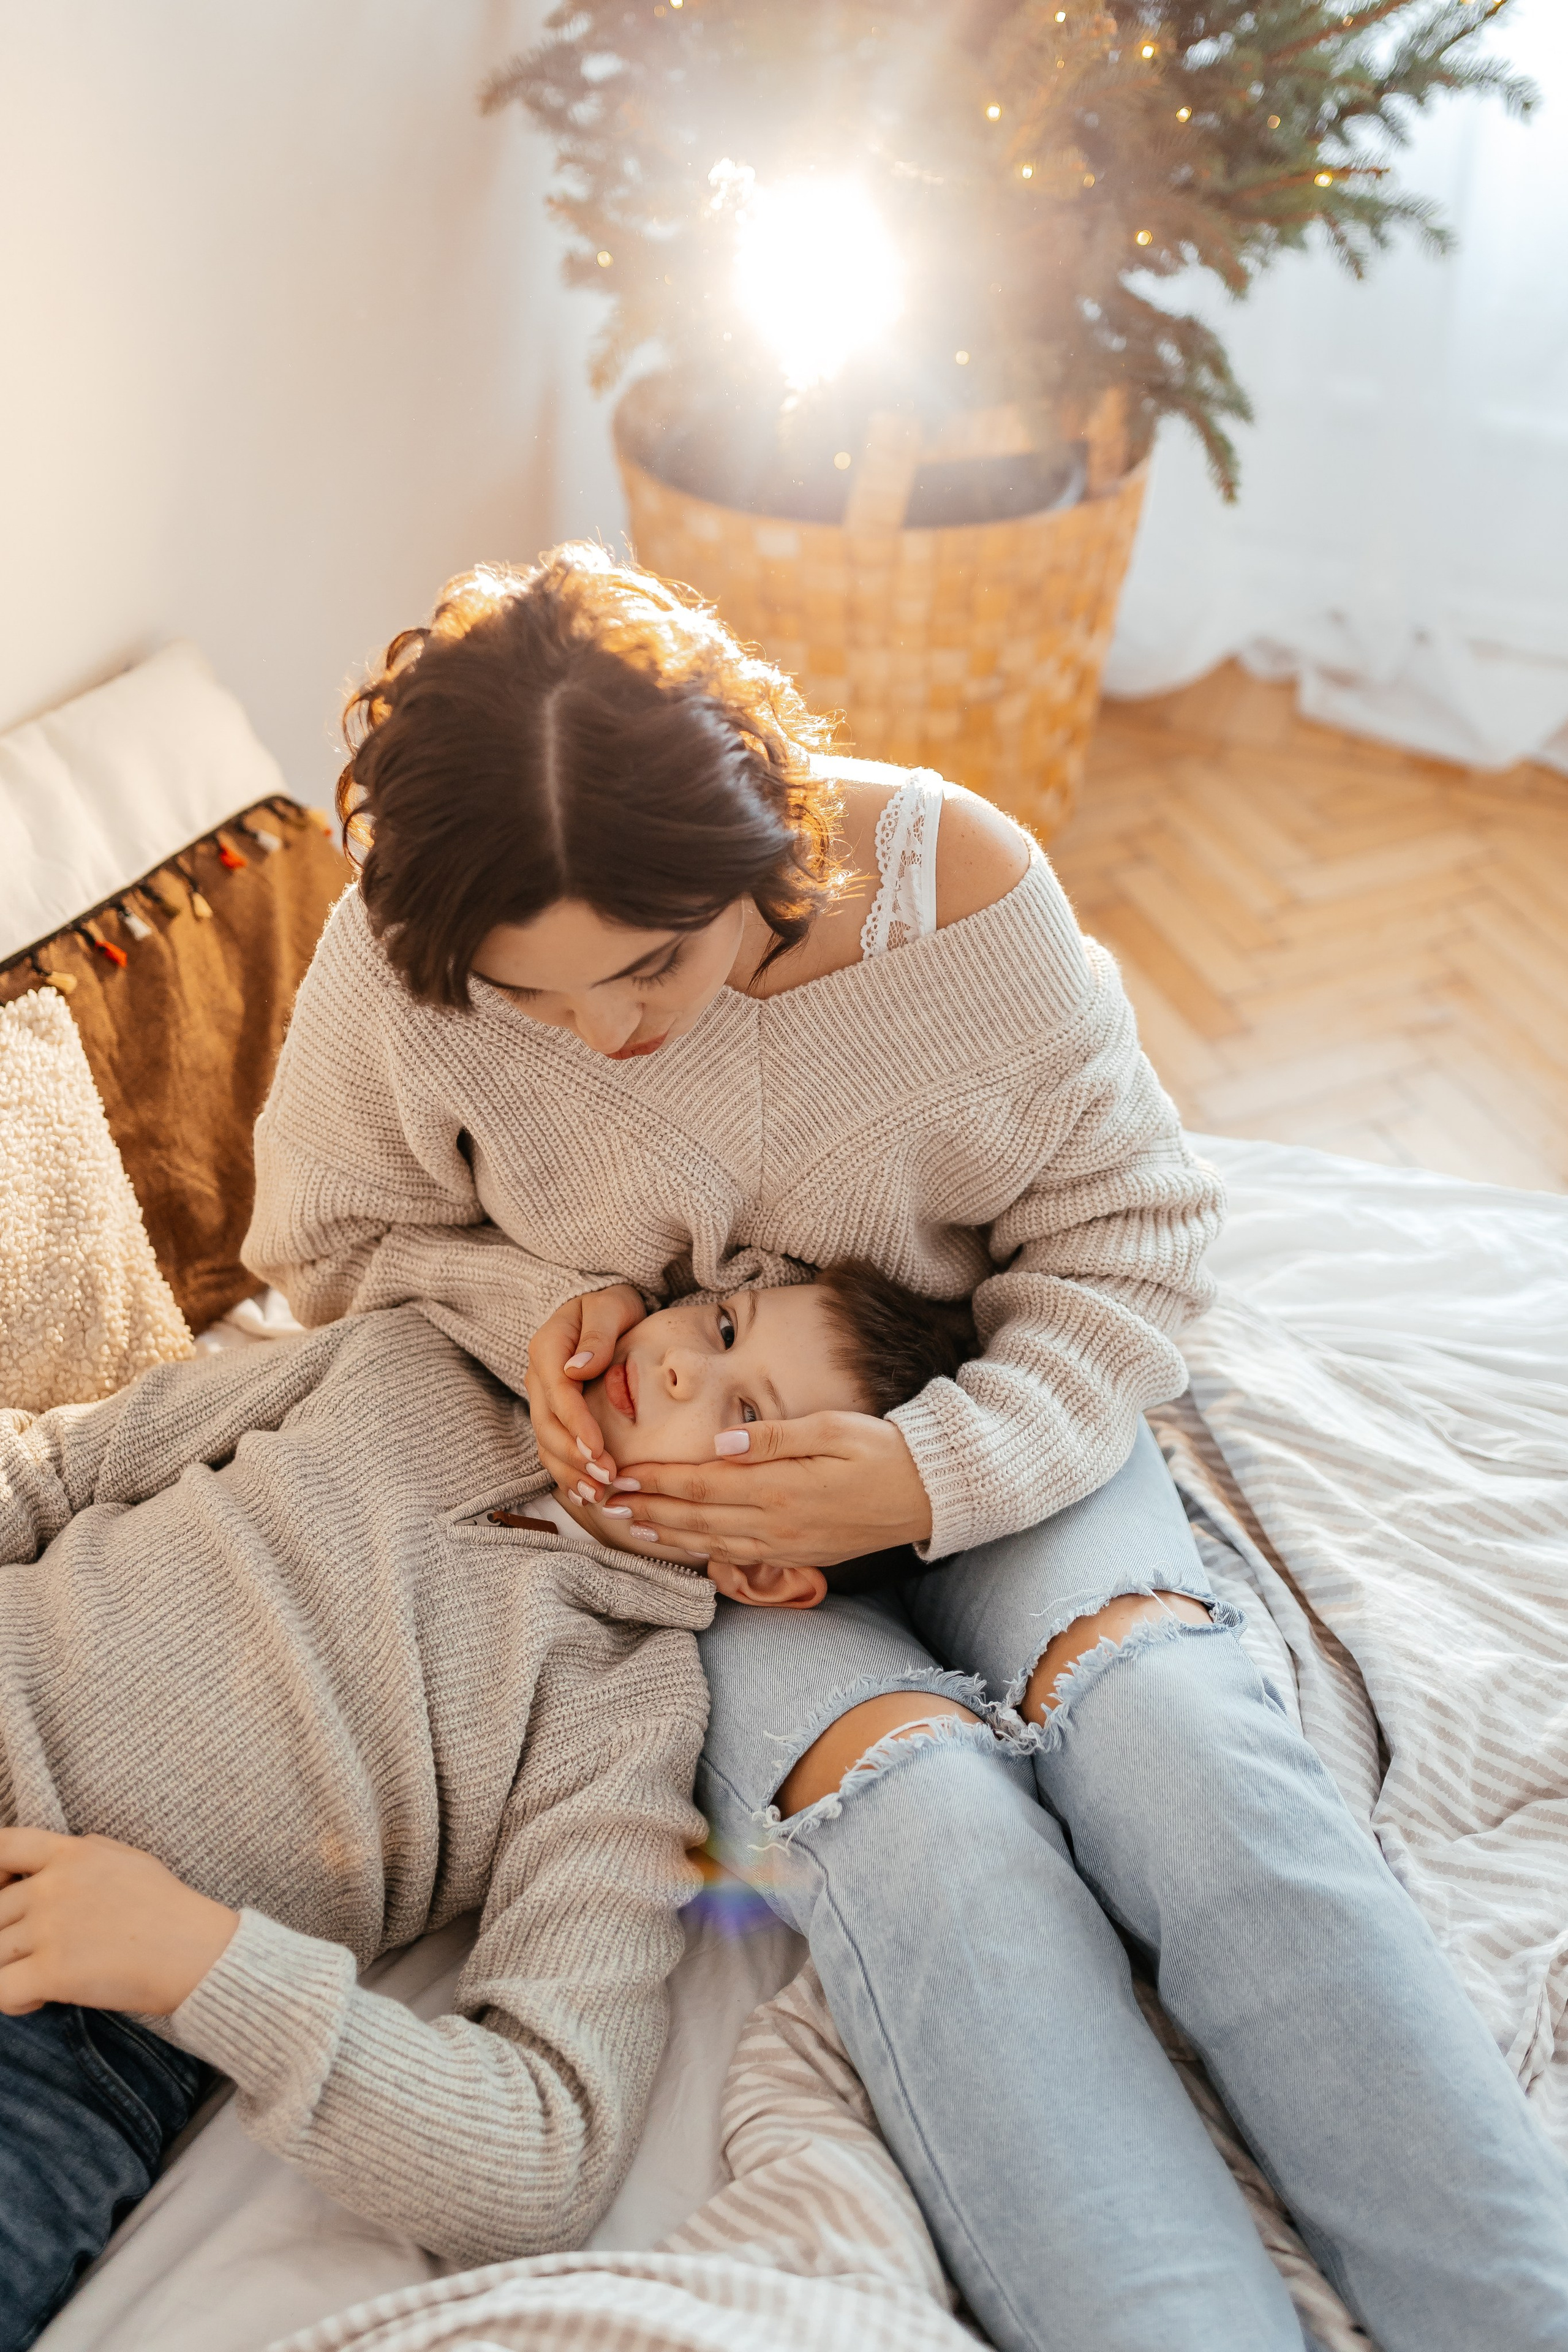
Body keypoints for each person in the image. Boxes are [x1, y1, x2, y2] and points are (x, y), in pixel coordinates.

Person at [245, 546, 1568, 2352]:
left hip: (1009, 1431)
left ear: (761, 833)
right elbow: (333, 1254)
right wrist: (538, 1319)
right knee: (924, 1821)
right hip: (685, 1538)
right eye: (531, 1001)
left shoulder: (956, 900)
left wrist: (945, 1470)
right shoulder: (404, 961)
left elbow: (1132, 1237)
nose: (607, 1032)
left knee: (1170, 1731)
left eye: (652, 961)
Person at [0, 1266, 958, 2351]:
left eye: (746, 1417)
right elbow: (56, 1468)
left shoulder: (621, 1719)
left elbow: (546, 2154)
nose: (686, 1360)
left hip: (66, 2018)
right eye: (725, 1322)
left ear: (766, 1573)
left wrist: (206, 1966)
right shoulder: (408, 1357)